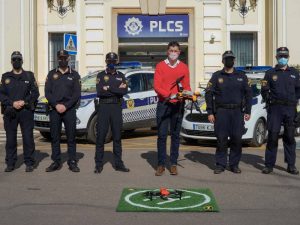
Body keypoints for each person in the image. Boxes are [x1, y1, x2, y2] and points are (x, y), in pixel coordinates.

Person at [205, 51, 252, 174]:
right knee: (221, 139)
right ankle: (220, 164)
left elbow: (249, 94)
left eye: (231, 59)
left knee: (237, 139)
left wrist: (248, 111)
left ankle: (234, 164)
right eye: (227, 59)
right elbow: (208, 93)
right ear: (223, 61)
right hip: (221, 112)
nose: (229, 61)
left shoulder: (242, 76)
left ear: (234, 60)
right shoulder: (216, 76)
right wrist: (210, 112)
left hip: (237, 112)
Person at [154, 41, 191, 176]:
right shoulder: (160, 66)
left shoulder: (184, 67)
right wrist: (169, 95)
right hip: (164, 104)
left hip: (178, 105)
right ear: (167, 52)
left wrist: (188, 94)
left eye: (176, 51)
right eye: (171, 50)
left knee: (175, 136)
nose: (173, 53)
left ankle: (173, 164)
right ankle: (161, 164)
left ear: (179, 52)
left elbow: (187, 86)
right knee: (162, 136)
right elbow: (157, 86)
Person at [261, 47, 300, 175]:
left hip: (290, 109)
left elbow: (298, 90)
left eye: (285, 56)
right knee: (272, 136)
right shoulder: (270, 73)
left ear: (288, 57)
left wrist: (296, 104)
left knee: (289, 137)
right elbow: (264, 89)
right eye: (280, 56)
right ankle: (268, 165)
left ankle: (291, 165)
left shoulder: (294, 73)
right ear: (276, 57)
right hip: (275, 109)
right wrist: (268, 100)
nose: (282, 58)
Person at [0, 51, 40, 172]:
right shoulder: (5, 77)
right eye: (14, 59)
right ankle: (11, 163)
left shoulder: (29, 76)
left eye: (18, 59)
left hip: (26, 111)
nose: (16, 61)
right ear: (11, 62)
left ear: (22, 61)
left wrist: (24, 102)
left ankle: (29, 163)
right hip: (10, 111)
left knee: (28, 138)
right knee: (11, 139)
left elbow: (35, 93)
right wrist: (12, 103)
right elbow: (1, 94)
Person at [44, 50, 81, 172]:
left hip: (69, 110)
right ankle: (56, 161)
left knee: (71, 137)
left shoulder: (75, 75)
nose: (62, 60)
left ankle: (72, 161)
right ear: (57, 59)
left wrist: (66, 106)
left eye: (65, 58)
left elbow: (76, 94)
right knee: (55, 137)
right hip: (55, 110)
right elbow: (47, 93)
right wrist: (56, 105)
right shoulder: (51, 74)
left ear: (69, 59)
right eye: (60, 58)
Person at [94, 52, 129, 173]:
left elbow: (124, 91)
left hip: (116, 107)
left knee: (117, 137)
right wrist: (116, 89)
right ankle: (98, 164)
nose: (111, 64)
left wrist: (108, 88)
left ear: (116, 62)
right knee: (101, 136)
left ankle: (119, 164)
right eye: (109, 61)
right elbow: (100, 92)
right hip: (104, 106)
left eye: (114, 62)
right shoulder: (101, 75)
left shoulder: (121, 75)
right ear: (106, 62)